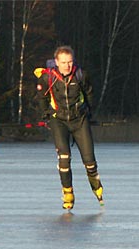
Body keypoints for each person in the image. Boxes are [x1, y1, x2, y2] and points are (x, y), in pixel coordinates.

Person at [35, 45, 103, 210]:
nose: (67, 66)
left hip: (79, 120)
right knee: (64, 158)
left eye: (70, 62)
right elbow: (40, 98)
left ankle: (95, 184)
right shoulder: (47, 78)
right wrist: (46, 115)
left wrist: (88, 111)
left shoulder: (80, 75)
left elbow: (89, 94)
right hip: (59, 121)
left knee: (90, 162)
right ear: (56, 62)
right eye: (63, 62)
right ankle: (68, 192)